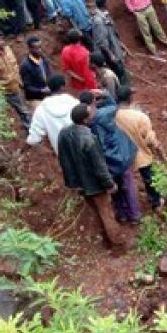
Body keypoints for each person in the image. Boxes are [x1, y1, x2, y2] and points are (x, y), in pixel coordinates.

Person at [57, 103, 129, 250]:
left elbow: (63, 159)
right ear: (85, 120)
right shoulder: (89, 139)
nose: (94, 113)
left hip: (78, 182)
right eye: (91, 113)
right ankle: (118, 244)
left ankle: (105, 239)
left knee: (97, 211)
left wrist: (72, 183)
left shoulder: (63, 133)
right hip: (94, 184)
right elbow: (100, 167)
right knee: (106, 212)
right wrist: (110, 184)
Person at [79, 90, 140, 224]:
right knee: (128, 185)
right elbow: (115, 105)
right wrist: (105, 94)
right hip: (121, 157)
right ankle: (134, 215)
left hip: (106, 163)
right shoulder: (105, 113)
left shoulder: (83, 125)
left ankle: (122, 215)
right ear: (94, 101)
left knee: (115, 188)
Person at [114, 86, 163, 210]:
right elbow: (150, 139)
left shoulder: (112, 116)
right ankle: (156, 202)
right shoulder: (140, 117)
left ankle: (126, 208)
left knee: (124, 182)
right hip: (140, 154)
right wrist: (159, 151)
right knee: (149, 179)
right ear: (130, 98)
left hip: (121, 155)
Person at [0, 29, 31, 128]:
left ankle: (30, 130)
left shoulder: (8, 50)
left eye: (0, 38)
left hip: (14, 87)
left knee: (23, 111)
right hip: (0, 91)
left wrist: (20, 81)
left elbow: (15, 67)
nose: (0, 41)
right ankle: (1, 134)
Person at [27, 74, 79, 153]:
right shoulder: (74, 102)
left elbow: (33, 139)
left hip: (63, 154)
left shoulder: (41, 110)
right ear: (62, 87)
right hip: (82, 146)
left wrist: (49, 152)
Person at [90, 0, 129, 85]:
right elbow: (101, 42)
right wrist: (111, 55)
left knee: (120, 69)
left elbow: (112, 31)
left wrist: (119, 43)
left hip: (113, 47)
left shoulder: (105, 15)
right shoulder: (99, 21)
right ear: (104, 4)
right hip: (108, 52)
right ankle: (122, 88)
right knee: (118, 70)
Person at [19, 36, 54, 102]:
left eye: (40, 47)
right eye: (36, 48)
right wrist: (41, 90)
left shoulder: (43, 58)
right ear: (30, 49)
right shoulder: (25, 65)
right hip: (35, 99)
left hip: (47, 95)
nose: (40, 50)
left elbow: (49, 74)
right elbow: (27, 87)